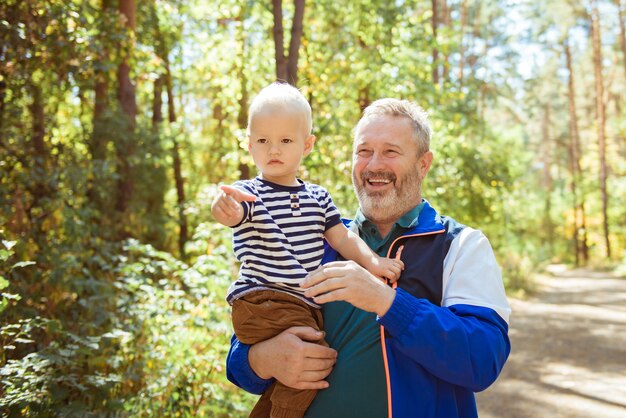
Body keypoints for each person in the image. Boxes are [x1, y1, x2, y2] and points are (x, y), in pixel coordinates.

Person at [226, 98, 512, 418]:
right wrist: (262, 359)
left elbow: (482, 359)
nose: (374, 164)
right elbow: (241, 354)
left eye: (391, 151)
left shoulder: (460, 245)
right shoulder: (314, 240)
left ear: (423, 163)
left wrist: (386, 301)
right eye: (364, 151)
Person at [212, 83, 404, 418]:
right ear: (248, 144)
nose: (274, 149)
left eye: (286, 140)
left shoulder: (318, 198)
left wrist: (375, 263)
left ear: (307, 145)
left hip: (299, 303)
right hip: (262, 299)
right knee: (314, 361)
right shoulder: (249, 194)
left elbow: (342, 238)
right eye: (262, 140)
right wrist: (225, 208)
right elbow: (231, 209)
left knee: (300, 369)